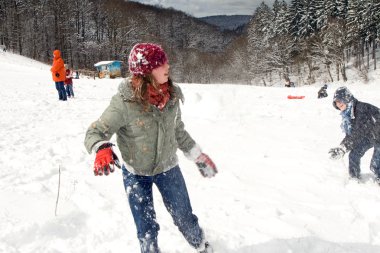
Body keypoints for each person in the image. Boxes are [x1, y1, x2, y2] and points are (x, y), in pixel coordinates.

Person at [84, 43, 217, 253]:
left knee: (184, 217)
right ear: (146, 72)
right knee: (146, 228)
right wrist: (102, 148)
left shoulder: (172, 96)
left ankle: (202, 246)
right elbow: (95, 132)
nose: (168, 66)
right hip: (136, 173)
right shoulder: (124, 103)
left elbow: (178, 131)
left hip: (168, 168)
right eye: (161, 63)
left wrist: (197, 155)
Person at [328, 87, 380, 181]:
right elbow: (352, 134)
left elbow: (358, 132)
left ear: (347, 98)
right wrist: (342, 147)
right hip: (370, 134)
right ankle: (354, 178)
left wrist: (344, 148)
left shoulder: (361, 109)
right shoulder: (349, 113)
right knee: (354, 154)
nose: (338, 104)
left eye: (340, 101)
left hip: (378, 134)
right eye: (336, 102)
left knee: (376, 165)